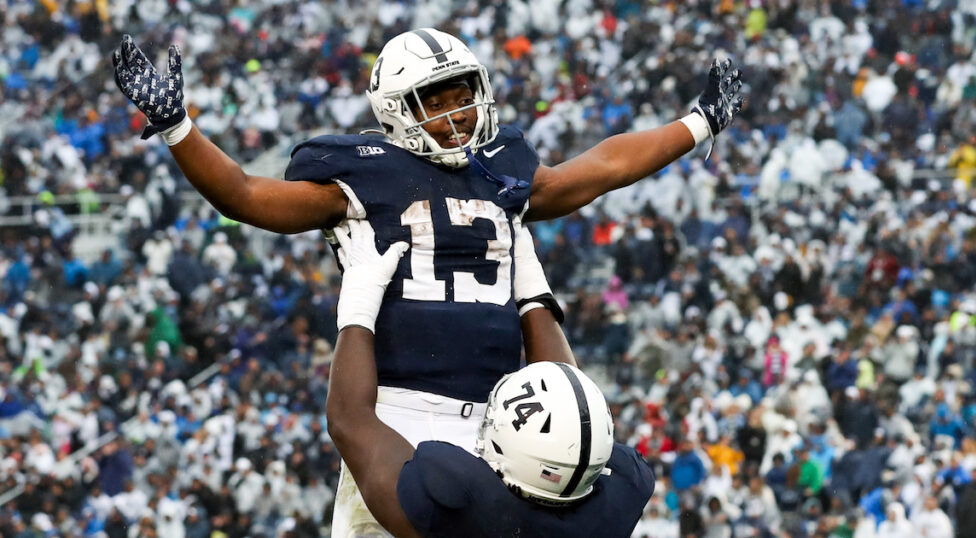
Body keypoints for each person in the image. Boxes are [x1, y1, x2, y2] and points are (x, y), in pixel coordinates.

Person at [112, 28, 739, 534]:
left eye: (463, 91)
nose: (457, 110)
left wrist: (699, 123)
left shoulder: (504, 170)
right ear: (396, 110)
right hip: (397, 415)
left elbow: (600, 166)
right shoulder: (361, 172)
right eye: (435, 99)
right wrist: (179, 129)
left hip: (505, 424)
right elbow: (246, 196)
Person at [324, 219, 655, 537]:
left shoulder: (461, 505)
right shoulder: (622, 497)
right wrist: (532, 291)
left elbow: (348, 420)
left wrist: (359, 301)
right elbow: (571, 405)